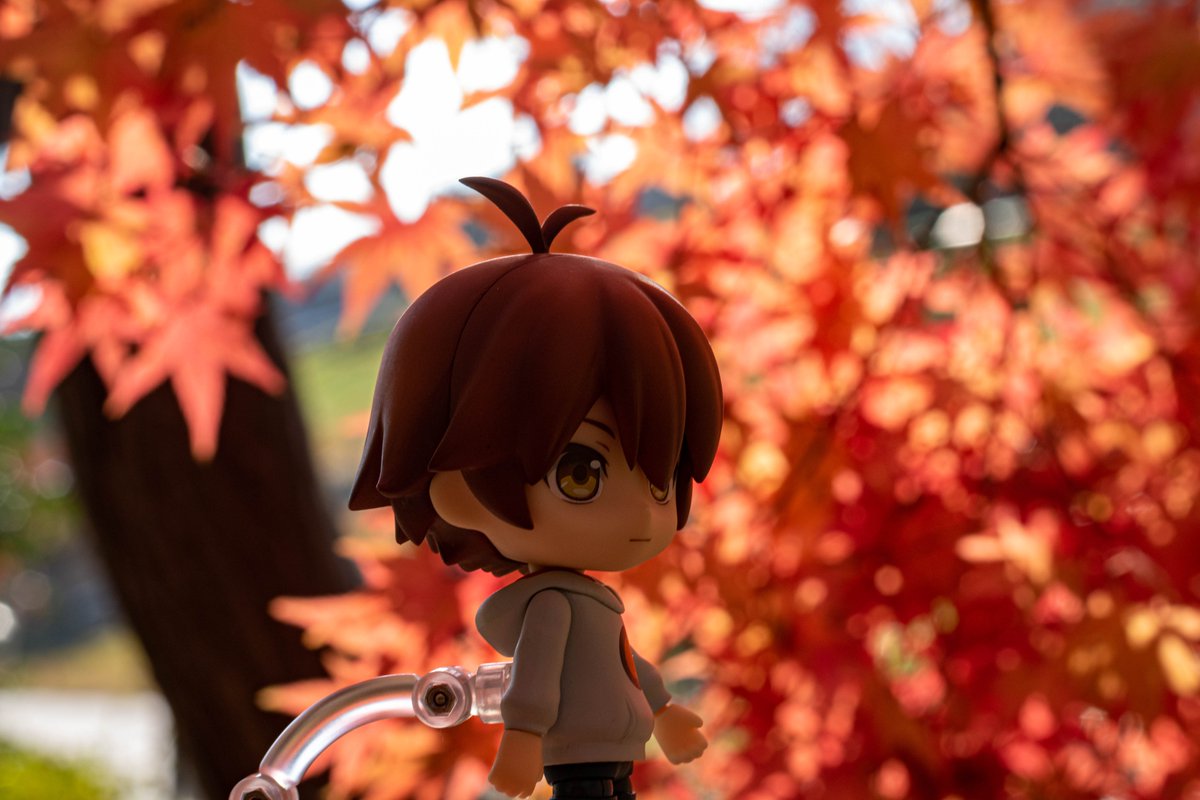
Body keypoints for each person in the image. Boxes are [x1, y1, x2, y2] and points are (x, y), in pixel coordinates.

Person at [349, 177, 723, 799]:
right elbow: (536, 681)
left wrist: (664, 712)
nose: (640, 513)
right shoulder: (550, 606)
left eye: (660, 481)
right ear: (457, 488)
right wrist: (522, 743)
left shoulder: (590, 602)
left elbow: (628, 664)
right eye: (582, 473)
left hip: (616, 753)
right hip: (577, 763)